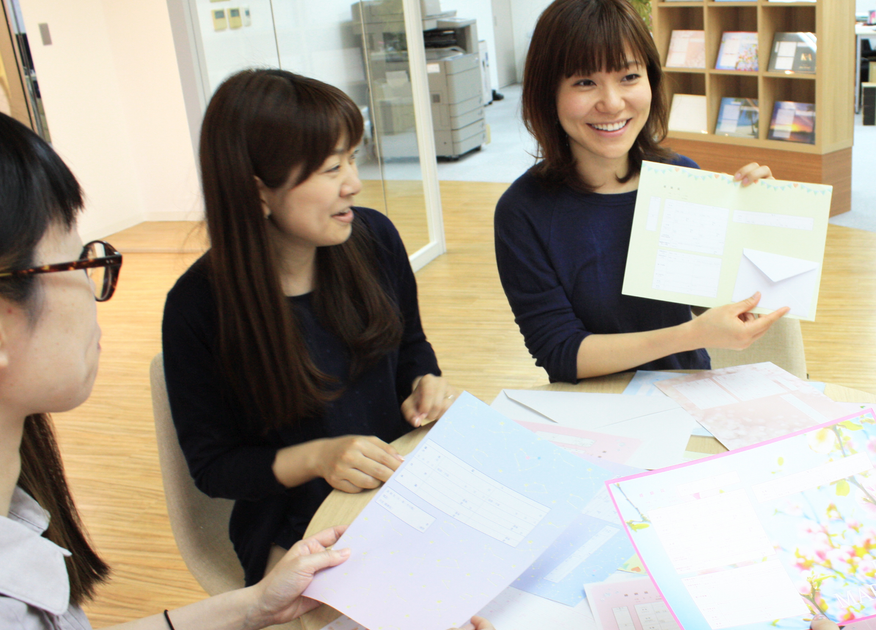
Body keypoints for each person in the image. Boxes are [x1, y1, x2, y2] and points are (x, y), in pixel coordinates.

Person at [161, 69, 457, 586]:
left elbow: (410, 344)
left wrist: (423, 382)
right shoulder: (198, 306)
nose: (353, 183)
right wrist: (319, 458)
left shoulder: (374, 239)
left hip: (399, 484)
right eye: (330, 168)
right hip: (295, 521)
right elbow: (214, 467)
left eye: (352, 158)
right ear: (257, 191)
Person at [494, 0, 788, 383]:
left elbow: (715, 304)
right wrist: (691, 335)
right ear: (547, 92)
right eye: (584, 82)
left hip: (687, 394)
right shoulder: (523, 211)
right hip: (591, 406)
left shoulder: (681, 179)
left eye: (629, 76)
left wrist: (762, 225)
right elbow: (560, 352)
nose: (612, 103)